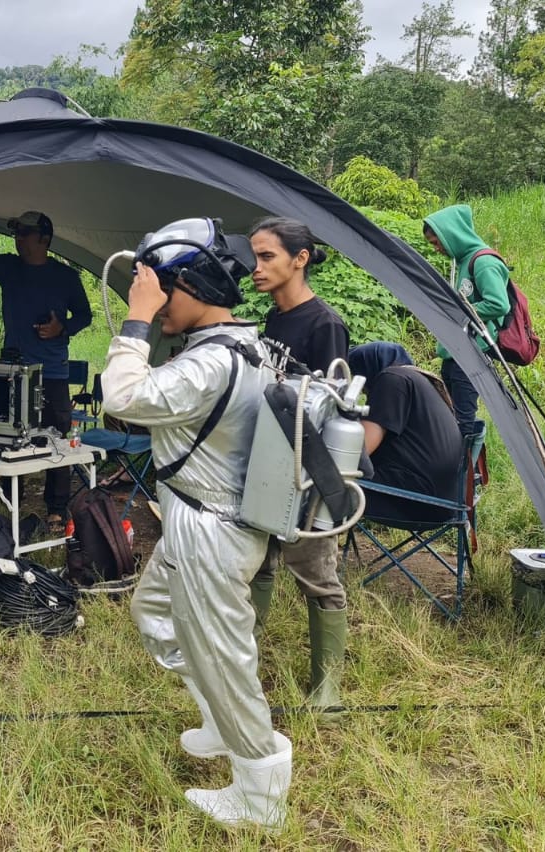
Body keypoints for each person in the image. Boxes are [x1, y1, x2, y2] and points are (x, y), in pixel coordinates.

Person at [102, 217, 291, 828]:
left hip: (212, 528)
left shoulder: (209, 364)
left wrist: (134, 319)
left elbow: (123, 397)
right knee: (153, 612)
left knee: (222, 655)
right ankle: (217, 718)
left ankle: (259, 791)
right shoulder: (243, 343)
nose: (155, 306)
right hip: (202, 518)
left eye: (162, 293)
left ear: (195, 284)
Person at [247, 217, 349, 709]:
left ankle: (325, 690)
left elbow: (329, 406)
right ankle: (247, 657)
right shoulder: (272, 320)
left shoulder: (325, 324)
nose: (256, 268)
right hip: (268, 455)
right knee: (261, 559)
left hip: (308, 467)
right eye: (255, 257)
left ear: (300, 258)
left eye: (267, 257)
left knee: (315, 570)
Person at [0, 211, 91, 528]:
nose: (18, 240)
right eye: (16, 234)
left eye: (25, 234)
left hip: (53, 370)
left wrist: (62, 328)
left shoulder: (65, 277)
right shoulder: (9, 268)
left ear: (44, 239)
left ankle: (57, 507)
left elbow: (84, 316)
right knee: (6, 433)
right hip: (12, 368)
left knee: (58, 438)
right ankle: (10, 498)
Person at [347, 342, 464, 523]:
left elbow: (359, 451)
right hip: (446, 501)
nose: (362, 390)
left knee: (325, 486)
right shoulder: (418, 380)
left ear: (366, 368)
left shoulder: (392, 379)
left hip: (416, 501)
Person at [423, 204, 509, 439]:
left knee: (462, 425)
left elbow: (499, 304)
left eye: (436, 242)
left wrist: (458, 312)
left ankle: (465, 473)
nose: (437, 248)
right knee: (449, 419)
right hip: (455, 353)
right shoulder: (462, 261)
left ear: (451, 235)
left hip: (472, 355)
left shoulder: (483, 262)